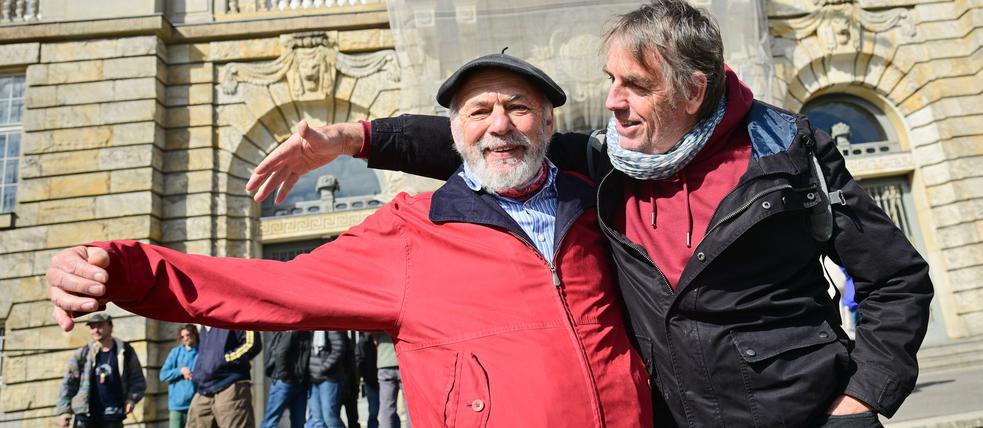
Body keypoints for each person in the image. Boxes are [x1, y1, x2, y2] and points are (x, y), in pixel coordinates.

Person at [242, 2, 935, 427]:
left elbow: (897, 280)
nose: (612, 102)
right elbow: (490, 138)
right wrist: (353, 140)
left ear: (694, 90)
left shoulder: (787, 150)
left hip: (801, 416)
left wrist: (864, 400)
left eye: (635, 85)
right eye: (610, 82)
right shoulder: (607, 164)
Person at [45, 53, 653, 427]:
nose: (499, 124)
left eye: (519, 108)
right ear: (455, 133)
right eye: (479, 110)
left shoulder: (600, 204)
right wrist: (120, 268)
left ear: (547, 123)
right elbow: (266, 287)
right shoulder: (410, 232)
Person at [55, 313, 145, 428]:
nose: (95, 330)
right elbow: (69, 383)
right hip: (86, 414)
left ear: (110, 326)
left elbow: (137, 379)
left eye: (99, 326)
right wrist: (64, 412)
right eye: (92, 327)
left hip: (113, 414)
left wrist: (131, 399)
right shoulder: (83, 353)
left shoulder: (125, 351)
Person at [187, 326, 261, 428]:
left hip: (231, 385)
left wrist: (223, 359)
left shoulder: (239, 312)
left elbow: (251, 344)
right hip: (203, 389)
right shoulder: (205, 320)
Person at [262, 330, 312, 428]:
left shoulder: (306, 332)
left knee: (299, 421)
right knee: (271, 420)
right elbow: (280, 353)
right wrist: (285, 376)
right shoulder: (292, 331)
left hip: (299, 382)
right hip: (285, 382)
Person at [159, 324, 200, 428]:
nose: (186, 338)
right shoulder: (175, 352)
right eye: (183, 336)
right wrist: (180, 371)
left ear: (195, 335)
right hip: (177, 406)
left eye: (188, 335)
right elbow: (163, 375)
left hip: (197, 404)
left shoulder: (203, 351)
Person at [307, 330, 350, 428]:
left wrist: (322, 368)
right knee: (317, 420)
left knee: (329, 417)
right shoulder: (312, 327)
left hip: (329, 378)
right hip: (313, 378)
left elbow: (338, 348)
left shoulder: (331, 326)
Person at [372, 332, 406, 428]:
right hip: (404, 359)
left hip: (385, 360)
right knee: (410, 408)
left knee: (386, 408)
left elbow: (375, 339)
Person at [355, 333, 379, 428]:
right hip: (371, 381)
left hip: (379, 379)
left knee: (390, 411)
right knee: (373, 413)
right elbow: (358, 360)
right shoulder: (363, 340)